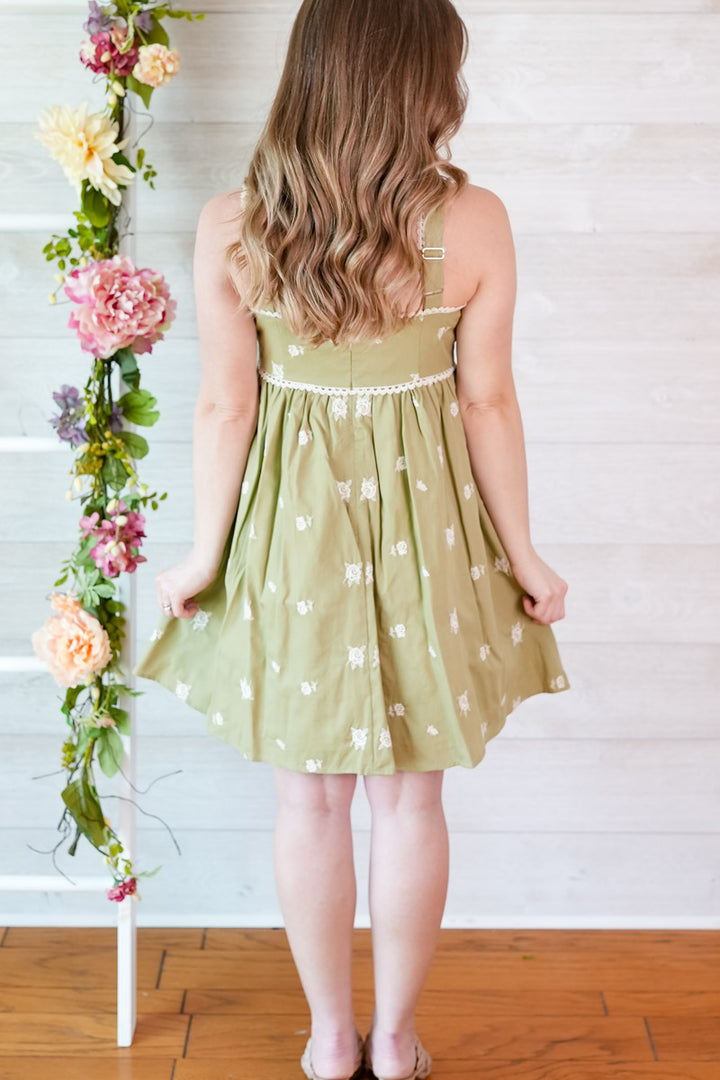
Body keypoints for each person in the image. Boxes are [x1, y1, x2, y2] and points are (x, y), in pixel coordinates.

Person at [132, 1, 571, 1077]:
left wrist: (201, 556)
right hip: (430, 527)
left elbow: (224, 409)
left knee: (308, 796)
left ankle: (331, 1044)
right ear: (422, 80)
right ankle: (398, 1042)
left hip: (292, 528)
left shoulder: (235, 222)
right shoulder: (475, 221)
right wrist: (526, 556)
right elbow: (488, 405)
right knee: (411, 796)